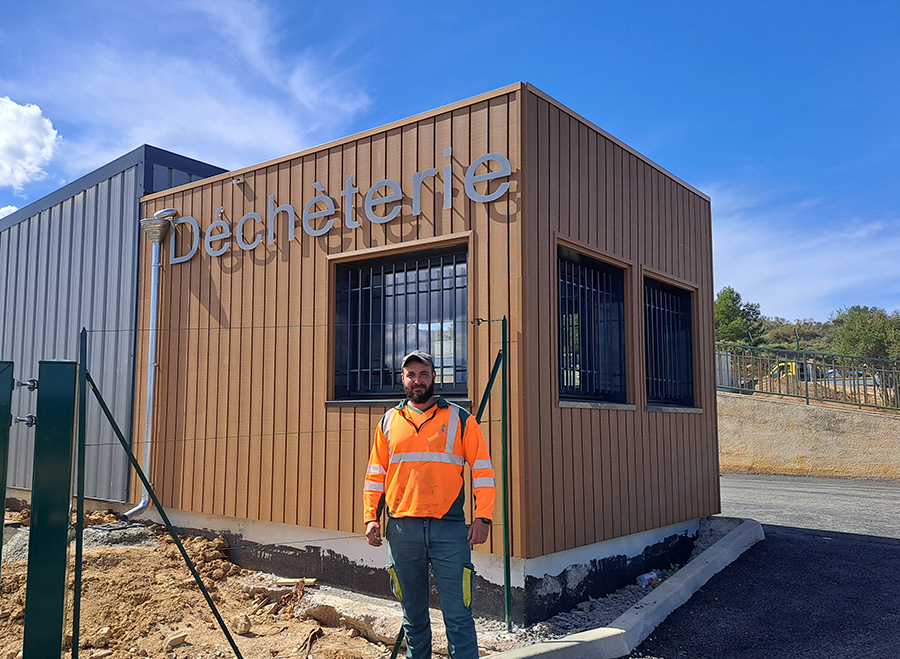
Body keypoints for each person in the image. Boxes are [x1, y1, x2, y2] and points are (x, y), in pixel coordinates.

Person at [363, 350, 496, 659]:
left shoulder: (460, 419)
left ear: (434, 377)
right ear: (402, 378)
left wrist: (484, 517)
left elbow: (484, 471)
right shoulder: (388, 421)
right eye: (411, 374)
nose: (417, 380)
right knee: (414, 618)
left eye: (423, 374)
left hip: (449, 530)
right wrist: (371, 517)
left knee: (459, 618)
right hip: (402, 529)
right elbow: (375, 474)